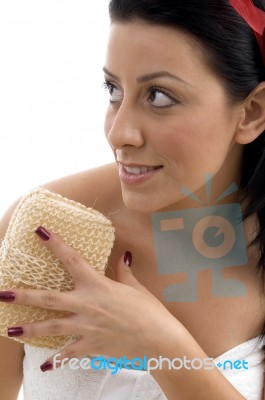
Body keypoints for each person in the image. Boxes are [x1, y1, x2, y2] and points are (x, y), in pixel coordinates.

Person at [1, 0, 265, 399]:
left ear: (251, 113)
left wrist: (160, 343)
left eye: (159, 96)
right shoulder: (41, 229)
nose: (118, 133)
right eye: (113, 89)